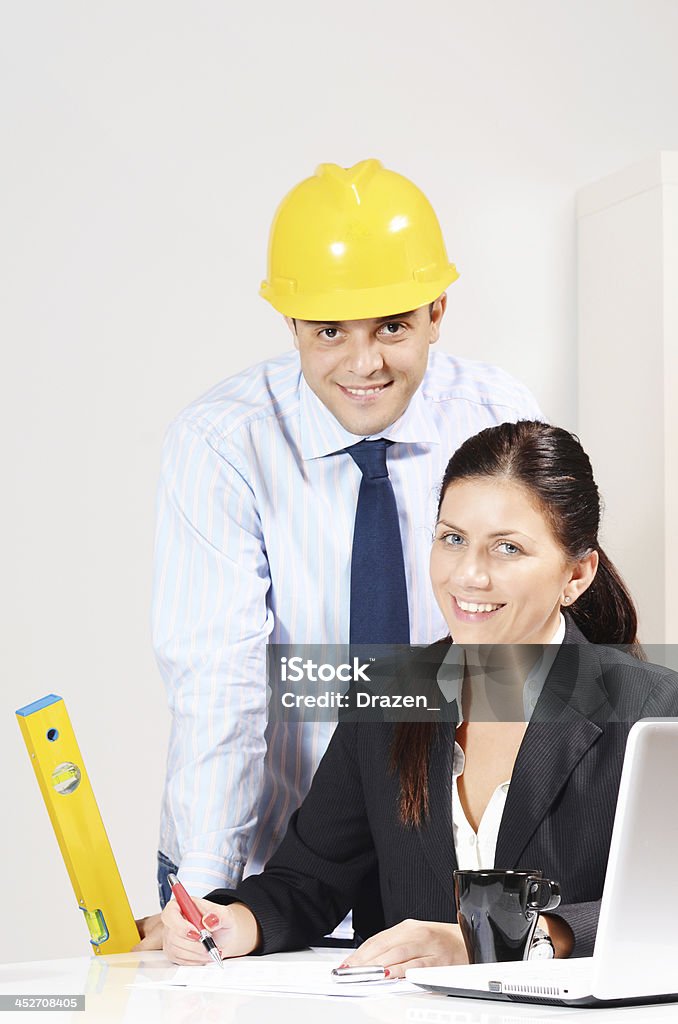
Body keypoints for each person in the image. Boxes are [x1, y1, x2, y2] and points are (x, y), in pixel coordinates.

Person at [148, 159, 542, 916]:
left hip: (444, 857)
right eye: (330, 330)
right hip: (270, 857)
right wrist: (207, 883)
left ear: (437, 310)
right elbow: (216, 680)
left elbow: (520, 649)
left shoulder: (498, 415)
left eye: (393, 325)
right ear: (291, 324)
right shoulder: (223, 442)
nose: (364, 364)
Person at [153, 420, 678, 971]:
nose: (469, 575)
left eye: (507, 548)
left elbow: (665, 907)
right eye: (452, 538)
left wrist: (502, 938)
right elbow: (309, 879)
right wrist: (233, 922)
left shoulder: (654, 708)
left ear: (576, 574)